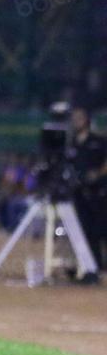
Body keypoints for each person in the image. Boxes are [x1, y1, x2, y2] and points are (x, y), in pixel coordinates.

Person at [69, 106, 106, 277]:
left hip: (98, 193)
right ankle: (89, 267)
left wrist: (98, 174)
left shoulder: (98, 141)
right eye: (74, 118)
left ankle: (97, 266)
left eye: (80, 118)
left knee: (98, 231)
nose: (77, 121)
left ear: (87, 120)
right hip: (78, 193)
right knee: (81, 231)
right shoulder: (72, 143)